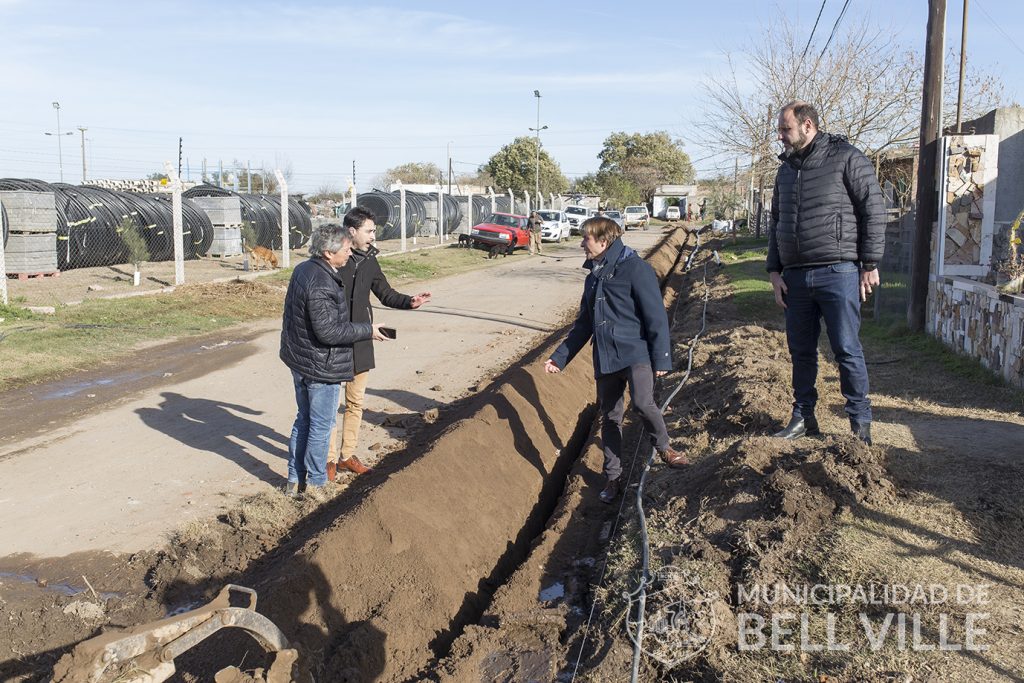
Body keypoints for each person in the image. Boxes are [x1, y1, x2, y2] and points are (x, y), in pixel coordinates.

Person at [544, 216, 688, 504]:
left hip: (635, 352)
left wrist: (661, 358)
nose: (582, 243)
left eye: (586, 238)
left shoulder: (636, 269)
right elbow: (583, 324)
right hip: (606, 356)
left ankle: (665, 448)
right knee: (610, 417)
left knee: (643, 403)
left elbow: (655, 316)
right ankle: (613, 477)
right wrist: (560, 358)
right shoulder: (593, 277)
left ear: (603, 241)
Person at [767, 100, 884, 445]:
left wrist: (870, 263)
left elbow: (873, 210)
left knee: (846, 348)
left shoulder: (847, 157)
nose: (780, 137)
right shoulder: (785, 169)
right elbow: (776, 222)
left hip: (838, 272)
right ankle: (803, 417)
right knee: (800, 351)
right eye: (779, 130)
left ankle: (859, 423)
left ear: (807, 126)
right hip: (796, 278)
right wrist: (774, 271)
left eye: (785, 129)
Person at [279, 223, 388, 496]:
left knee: (303, 420)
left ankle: (294, 480)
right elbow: (328, 332)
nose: (350, 254)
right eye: (347, 249)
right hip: (320, 366)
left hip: (301, 361)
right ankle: (316, 483)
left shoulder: (303, 270)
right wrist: (368, 331)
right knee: (321, 425)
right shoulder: (322, 281)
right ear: (329, 252)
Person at [327, 207, 432, 479]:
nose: (374, 236)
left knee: (355, 402)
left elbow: (385, 293)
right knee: (328, 404)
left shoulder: (370, 261)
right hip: (334, 340)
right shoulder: (334, 259)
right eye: (369, 231)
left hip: (361, 338)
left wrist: (410, 301)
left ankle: (346, 456)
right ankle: (326, 461)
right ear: (352, 232)